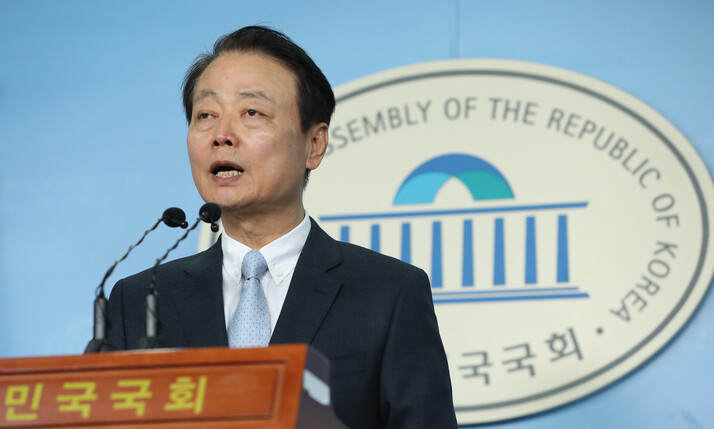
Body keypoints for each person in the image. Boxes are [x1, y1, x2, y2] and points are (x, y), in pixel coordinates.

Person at [106, 26, 457, 429]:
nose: (222, 135)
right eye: (205, 115)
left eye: (251, 113)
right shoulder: (138, 301)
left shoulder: (389, 293)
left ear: (314, 145)